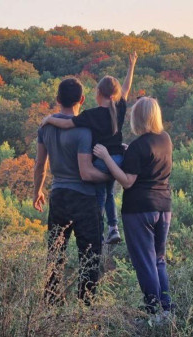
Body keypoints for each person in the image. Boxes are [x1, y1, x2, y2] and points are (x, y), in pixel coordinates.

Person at [41, 52, 138, 245]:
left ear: (97, 93)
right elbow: (126, 88)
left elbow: (67, 124)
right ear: (115, 95)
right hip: (118, 158)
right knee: (110, 192)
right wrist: (131, 66)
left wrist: (49, 119)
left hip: (102, 160)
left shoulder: (90, 115)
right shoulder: (118, 108)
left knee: (100, 194)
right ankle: (113, 227)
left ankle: (100, 229)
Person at [92, 97, 174, 316]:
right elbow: (149, 162)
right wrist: (130, 154)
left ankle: (153, 312)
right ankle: (166, 310)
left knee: (144, 262)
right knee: (158, 260)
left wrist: (106, 157)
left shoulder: (139, 146)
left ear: (138, 117)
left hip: (140, 209)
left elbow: (127, 181)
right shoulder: (165, 139)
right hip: (164, 206)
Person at [33, 77, 110, 305]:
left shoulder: (45, 126)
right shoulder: (83, 130)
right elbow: (86, 173)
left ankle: (51, 306)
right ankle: (85, 309)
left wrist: (37, 191)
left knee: (55, 254)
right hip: (84, 199)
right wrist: (111, 175)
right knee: (89, 256)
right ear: (82, 100)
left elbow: (39, 164)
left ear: (57, 99)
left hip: (58, 196)